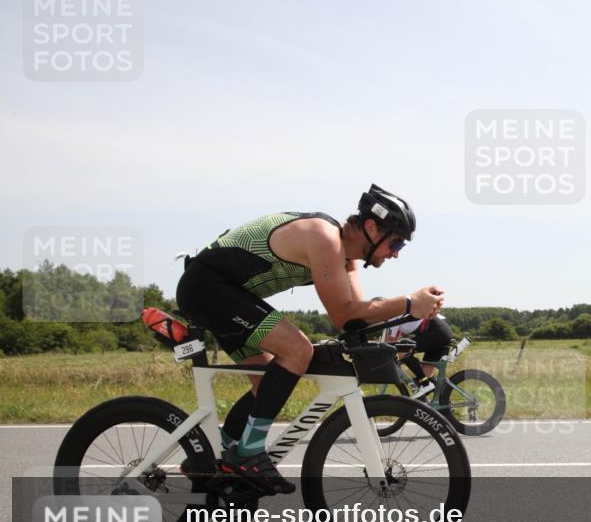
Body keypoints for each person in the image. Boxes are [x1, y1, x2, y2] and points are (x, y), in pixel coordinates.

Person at [175, 184, 443, 494]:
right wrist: (409, 302)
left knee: (267, 385)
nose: (395, 254)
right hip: (208, 288)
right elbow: (342, 314)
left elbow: (356, 319)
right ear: (371, 227)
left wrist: (409, 320)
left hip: (229, 295)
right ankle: (247, 454)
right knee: (297, 350)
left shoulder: (346, 259)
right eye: (396, 244)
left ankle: (211, 459)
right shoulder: (325, 237)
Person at [380, 312, 454, 397]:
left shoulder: (393, 316)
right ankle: (445, 405)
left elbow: (390, 342)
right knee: (426, 374)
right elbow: (394, 341)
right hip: (440, 332)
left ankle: (425, 383)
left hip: (437, 332)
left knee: (403, 349)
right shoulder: (397, 315)